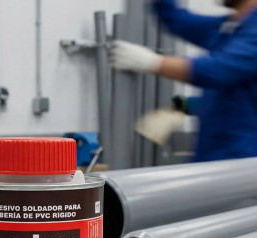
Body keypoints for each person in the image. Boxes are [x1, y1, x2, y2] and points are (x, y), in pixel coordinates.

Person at [109, 0, 257, 162]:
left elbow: (219, 69)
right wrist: (182, 107)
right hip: (215, 152)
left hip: (243, 158)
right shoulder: (231, 26)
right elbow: (176, 19)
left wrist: (152, 62)